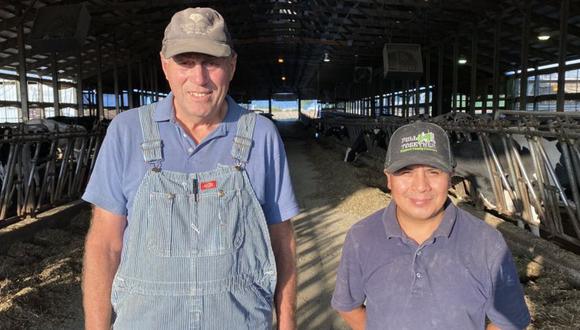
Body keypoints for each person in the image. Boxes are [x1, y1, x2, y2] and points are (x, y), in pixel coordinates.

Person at [81, 7, 299, 329]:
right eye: (186, 62)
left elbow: (282, 240)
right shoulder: (127, 133)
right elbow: (104, 244)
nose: (200, 78)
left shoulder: (261, 136)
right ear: (165, 65)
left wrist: (287, 323)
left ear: (232, 65)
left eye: (212, 62)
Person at [331, 121, 530, 330]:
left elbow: (509, 322)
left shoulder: (487, 243)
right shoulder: (362, 236)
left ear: (451, 178)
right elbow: (348, 307)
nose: (420, 186)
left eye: (434, 171)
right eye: (406, 171)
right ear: (388, 179)